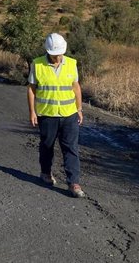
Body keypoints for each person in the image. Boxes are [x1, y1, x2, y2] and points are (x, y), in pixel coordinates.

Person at [27, 33, 86, 198]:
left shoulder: (71, 64)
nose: (57, 57)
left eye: (59, 53)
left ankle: (73, 182)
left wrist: (79, 109)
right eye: (54, 54)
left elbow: (76, 87)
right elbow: (31, 89)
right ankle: (45, 173)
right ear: (48, 51)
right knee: (47, 146)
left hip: (69, 114)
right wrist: (32, 111)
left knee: (71, 148)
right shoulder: (37, 64)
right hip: (47, 114)